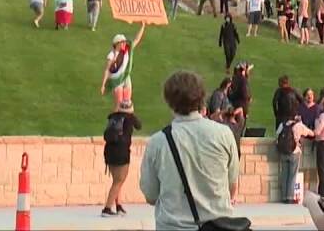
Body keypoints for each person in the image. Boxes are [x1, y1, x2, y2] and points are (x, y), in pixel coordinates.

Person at [139, 71, 240, 231]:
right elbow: (232, 186)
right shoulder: (223, 134)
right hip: (219, 225)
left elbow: (151, 195)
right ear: (201, 98)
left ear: (169, 101)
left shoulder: (157, 142)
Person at [102, 99, 142, 217]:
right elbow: (139, 125)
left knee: (117, 181)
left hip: (109, 152)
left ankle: (118, 206)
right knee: (119, 181)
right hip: (121, 152)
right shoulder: (130, 118)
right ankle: (107, 209)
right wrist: (131, 114)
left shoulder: (112, 117)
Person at [102, 24, 147, 106]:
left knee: (127, 102)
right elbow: (107, 70)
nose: (124, 44)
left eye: (124, 42)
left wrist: (142, 27)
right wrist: (103, 85)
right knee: (119, 103)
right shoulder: (111, 55)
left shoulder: (126, 51)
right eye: (122, 43)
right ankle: (116, 118)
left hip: (126, 77)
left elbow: (137, 39)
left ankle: (125, 118)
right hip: (116, 80)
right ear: (117, 44)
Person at [275, 110, 314, 204]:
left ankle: (284, 197)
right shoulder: (298, 126)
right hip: (294, 151)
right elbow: (311, 133)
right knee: (292, 175)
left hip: (283, 152)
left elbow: (277, 134)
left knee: (284, 174)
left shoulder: (282, 125)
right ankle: (290, 197)